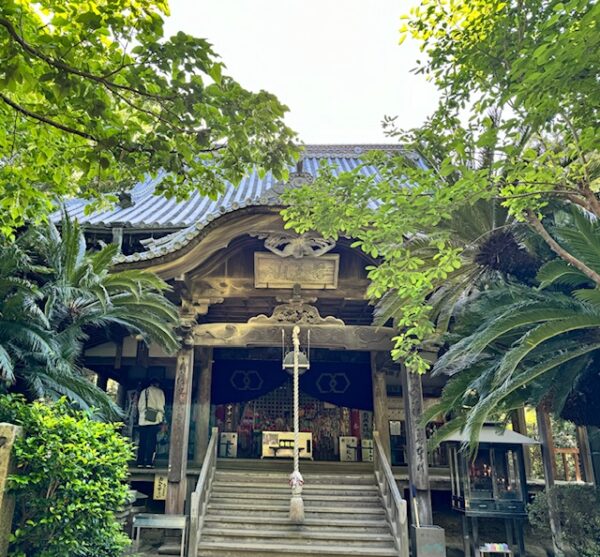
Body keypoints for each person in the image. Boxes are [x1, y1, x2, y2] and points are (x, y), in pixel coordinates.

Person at [137, 378, 166, 468]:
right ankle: (149, 462)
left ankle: (140, 462)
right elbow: (161, 406)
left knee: (142, 441)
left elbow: (140, 406)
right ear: (157, 384)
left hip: (143, 418)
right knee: (152, 441)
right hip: (154, 419)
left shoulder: (144, 392)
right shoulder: (159, 392)